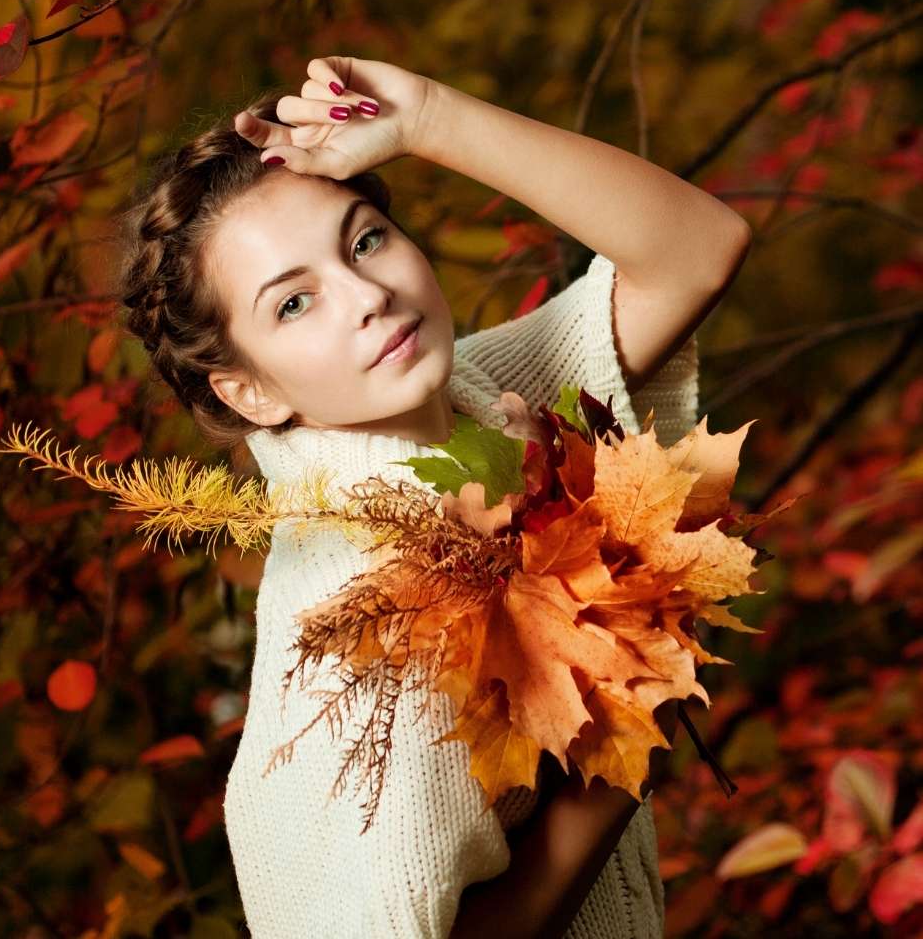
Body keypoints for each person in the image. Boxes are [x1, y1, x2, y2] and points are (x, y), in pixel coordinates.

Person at [115, 55, 752, 937]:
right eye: (294, 305)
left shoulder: (479, 397)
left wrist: (426, 118)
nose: (368, 297)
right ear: (249, 391)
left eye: (365, 240)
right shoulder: (362, 609)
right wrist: (612, 768)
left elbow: (695, 250)